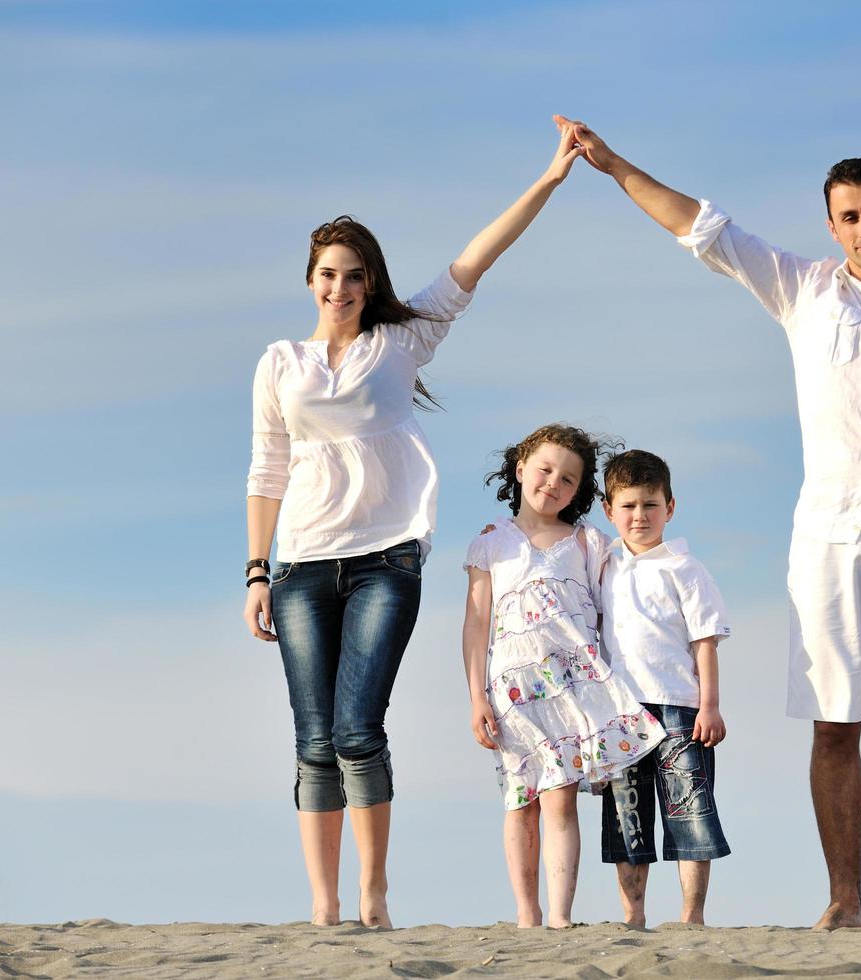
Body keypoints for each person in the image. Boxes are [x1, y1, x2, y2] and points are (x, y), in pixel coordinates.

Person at [555, 115, 861, 929]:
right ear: (831, 225)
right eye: (849, 216)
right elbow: (703, 228)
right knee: (834, 725)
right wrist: (611, 163)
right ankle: (846, 902)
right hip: (828, 538)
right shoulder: (803, 288)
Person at [243, 124, 585, 928]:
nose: (340, 288)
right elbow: (266, 472)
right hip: (298, 566)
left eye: (354, 276)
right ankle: (324, 907)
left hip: (385, 562)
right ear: (310, 280)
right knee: (314, 737)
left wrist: (549, 177)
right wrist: (256, 571)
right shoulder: (279, 364)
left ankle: (373, 893)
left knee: (360, 728)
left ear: (371, 283)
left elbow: (476, 258)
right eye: (328, 275)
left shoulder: (402, 341)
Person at [462, 424, 666, 929]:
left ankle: (559, 915)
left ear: (580, 491)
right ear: (520, 469)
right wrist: (477, 698)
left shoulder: (589, 541)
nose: (553, 483)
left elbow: (611, 613)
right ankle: (526, 912)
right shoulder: (491, 542)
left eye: (569, 479)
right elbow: (475, 624)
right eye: (545, 470)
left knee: (559, 798)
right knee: (520, 799)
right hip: (512, 693)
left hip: (574, 689)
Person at [597, 449, 733, 927]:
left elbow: (705, 642)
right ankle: (633, 917)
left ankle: (691, 916)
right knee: (626, 817)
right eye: (629, 506)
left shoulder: (685, 568)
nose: (640, 516)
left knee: (689, 811)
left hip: (679, 707)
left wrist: (710, 706)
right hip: (621, 713)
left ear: (669, 507)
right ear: (608, 509)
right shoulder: (602, 563)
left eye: (651, 505)